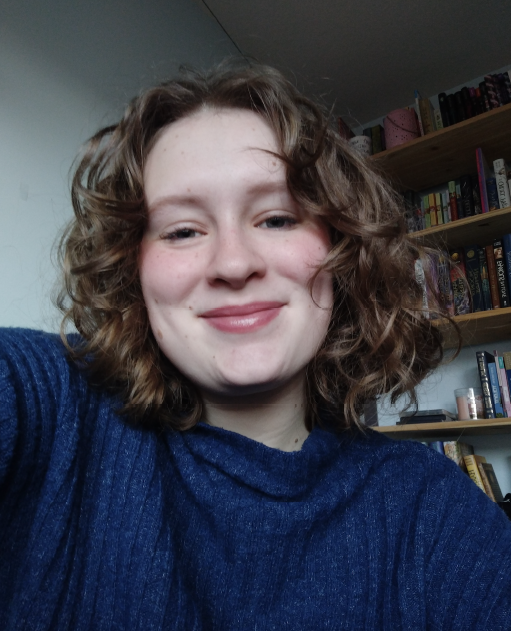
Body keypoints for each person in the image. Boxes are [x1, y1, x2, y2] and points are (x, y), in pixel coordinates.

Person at [1, 61, 510, 630]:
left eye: (275, 218)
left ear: (342, 250)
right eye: (182, 231)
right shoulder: (50, 411)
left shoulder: (432, 511)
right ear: (132, 268)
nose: (234, 263)